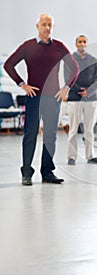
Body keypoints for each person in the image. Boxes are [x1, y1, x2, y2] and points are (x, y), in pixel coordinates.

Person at [4, 14, 80, 185]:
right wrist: (22, 84)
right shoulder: (28, 46)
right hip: (34, 97)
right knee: (30, 134)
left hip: (53, 97)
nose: (47, 28)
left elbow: (74, 68)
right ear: (37, 26)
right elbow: (8, 64)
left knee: (50, 136)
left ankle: (47, 172)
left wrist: (66, 87)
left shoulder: (59, 47)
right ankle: (26, 173)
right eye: (44, 24)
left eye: (50, 25)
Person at [64, 35, 97, 165]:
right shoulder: (70, 61)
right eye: (80, 42)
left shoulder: (94, 61)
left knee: (89, 130)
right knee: (73, 129)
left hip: (91, 100)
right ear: (76, 44)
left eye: (84, 41)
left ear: (87, 44)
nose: (82, 44)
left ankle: (90, 156)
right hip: (75, 99)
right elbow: (68, 79)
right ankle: (72, 156)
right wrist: (80, 90)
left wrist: (89, 92)